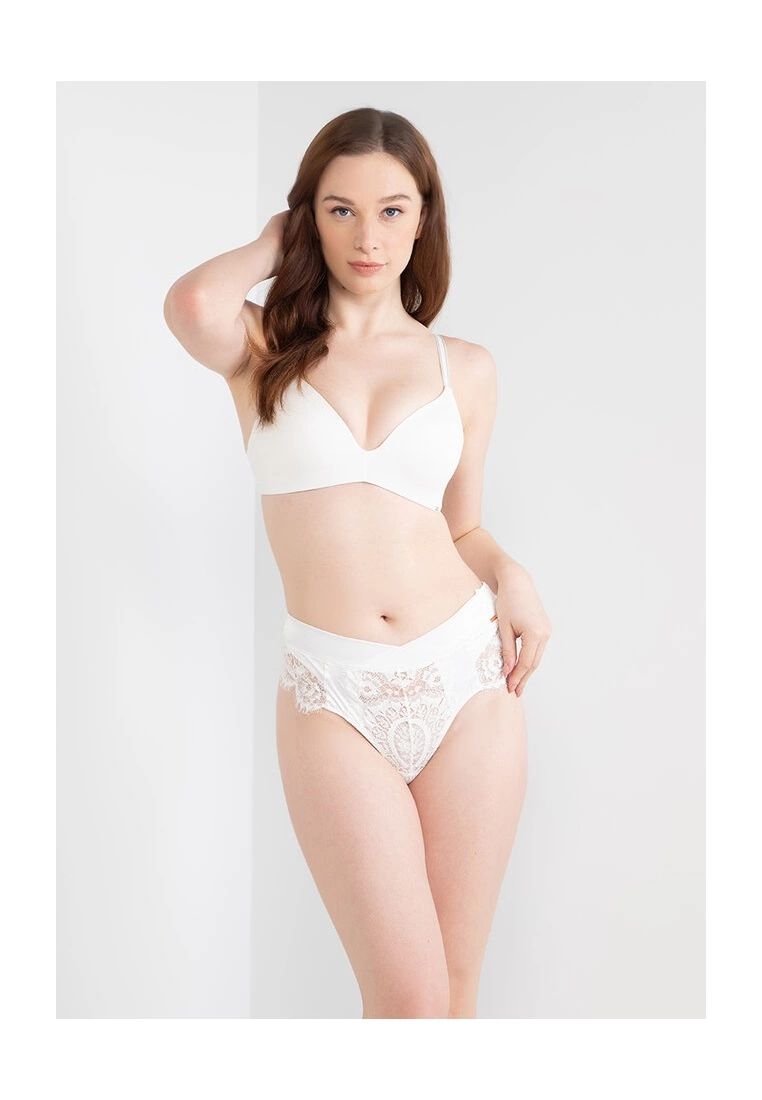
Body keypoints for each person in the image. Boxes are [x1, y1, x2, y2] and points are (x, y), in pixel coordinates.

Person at [163, 106, 552, 1019]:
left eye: (391, 210)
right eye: (340, 210)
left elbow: (463, 527)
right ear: (309, 216)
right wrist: (276, 240)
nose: (367, 237)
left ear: (423, 220)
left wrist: (512, 576)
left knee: (453, 990)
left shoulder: (465, 368)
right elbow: (192, 305)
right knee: (405, 997)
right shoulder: (263, 347)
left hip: (466, 677)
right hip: (332, 691)